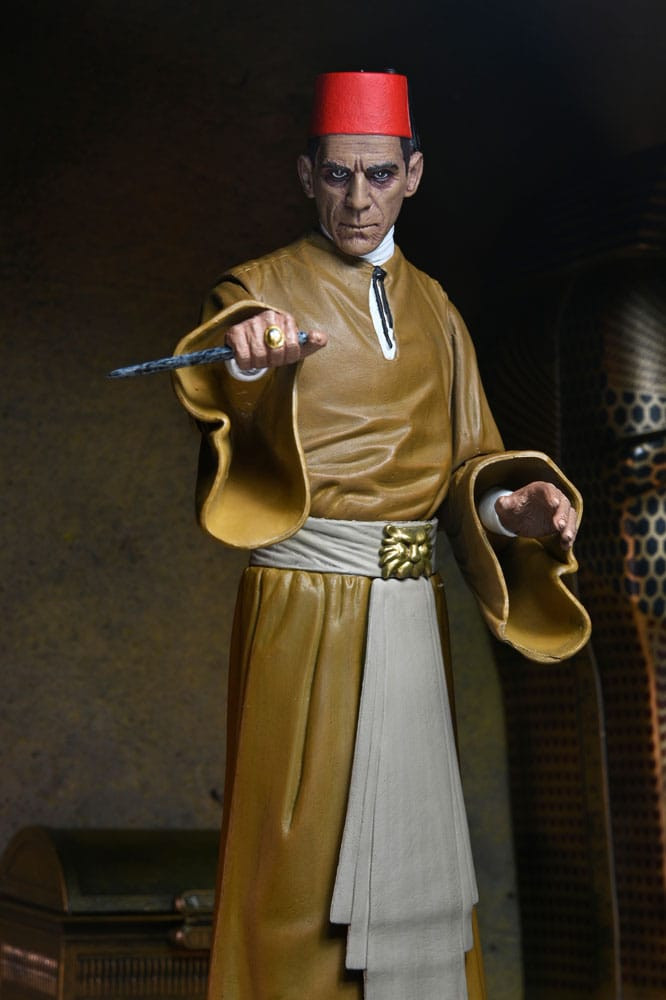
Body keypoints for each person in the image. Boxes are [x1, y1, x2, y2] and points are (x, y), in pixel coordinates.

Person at [172, 71, 590, 1000]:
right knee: (298, 868)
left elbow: (470, 471)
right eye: (337, 174)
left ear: (414, 176)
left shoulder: (438, 309)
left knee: (416, 864)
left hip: (412, 612)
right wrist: (253, 364)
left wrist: (516, 511)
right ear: (306, 176)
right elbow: (225, 382)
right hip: (305, 610)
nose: (357, 199)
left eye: (378, 174)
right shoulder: (259, 291)